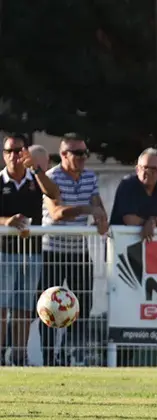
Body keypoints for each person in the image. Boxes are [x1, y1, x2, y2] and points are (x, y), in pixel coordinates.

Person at [40, 134, 109, 367]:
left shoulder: (90, 176)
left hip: (79, 251)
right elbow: (57, 212)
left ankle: (74, 357)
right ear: (63, 155)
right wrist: (86, 209)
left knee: (81, 307)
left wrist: (101, 218)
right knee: (49, 308)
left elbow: (97, 204)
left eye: (85, 153)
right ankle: (50, 359)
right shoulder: (51, 177)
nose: (83, 158)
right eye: (77, 153)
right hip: (52, 251)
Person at [0, 135, 60, 366]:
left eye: (18, 150)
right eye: (9, 150)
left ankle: (19, 356)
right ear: (4, 154)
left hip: (31, 252)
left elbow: (54, 194)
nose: (14, 155)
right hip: (4, 253)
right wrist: (7, 221)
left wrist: (36, 170)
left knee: (24, 309)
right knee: (2, 308)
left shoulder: (35, 179)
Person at [110, 148, 157, 240]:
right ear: (137, 169)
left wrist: (153, 221)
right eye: (145, 168)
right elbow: (129, 219)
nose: (149, 172)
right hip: (122, 244)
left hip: (150, 245)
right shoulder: (128, 184)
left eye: (154, 169)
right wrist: (149, 222)